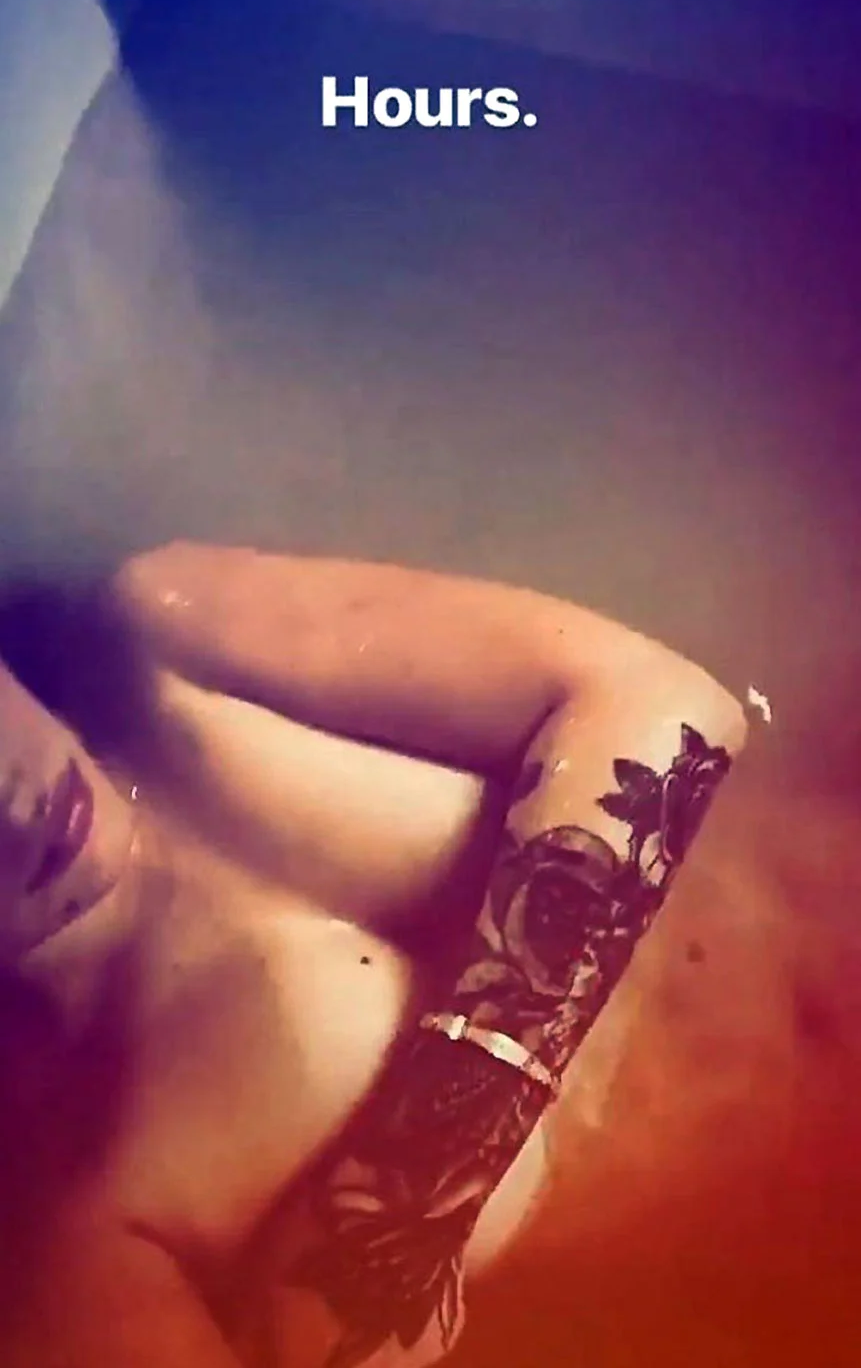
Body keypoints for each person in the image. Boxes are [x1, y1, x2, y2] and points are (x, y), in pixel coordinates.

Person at [0, 541, 747, 1367]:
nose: (11, 799)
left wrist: (453, 1119)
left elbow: (673, 704)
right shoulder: (85, 1239)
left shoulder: (164, 647)